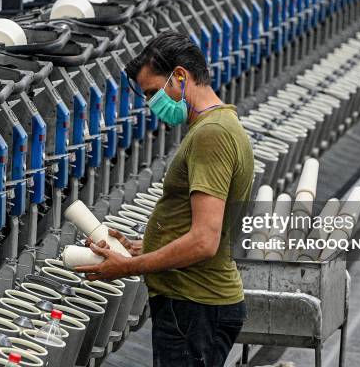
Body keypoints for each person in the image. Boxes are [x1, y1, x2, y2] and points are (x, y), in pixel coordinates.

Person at [76, 30, 255, 367]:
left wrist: (128, 267)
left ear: (180, 77)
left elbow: (204, 241)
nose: (151, 104)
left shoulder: (212, 135)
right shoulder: (220, 125)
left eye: (153, 93)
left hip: (194, 306)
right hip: (196, 305)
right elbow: (196, 227)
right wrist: (144, 245)